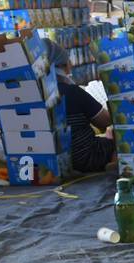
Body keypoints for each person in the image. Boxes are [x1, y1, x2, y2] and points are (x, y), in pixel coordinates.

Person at [46, 41, 115, 173]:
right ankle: (115, 165)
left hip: (49, 166)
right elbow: (105, 121)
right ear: (64, 65)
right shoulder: (72, 91)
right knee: (117, 141)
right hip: (84, 159)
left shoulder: (34, 94)